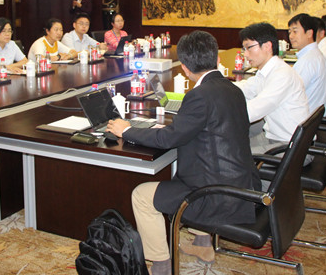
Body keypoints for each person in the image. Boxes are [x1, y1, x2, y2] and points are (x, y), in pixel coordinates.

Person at [106, 31, 260, 275]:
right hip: (241, 184)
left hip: (216, 196)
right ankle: (202, 244)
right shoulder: (233, 89)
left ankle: (161, 264)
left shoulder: (199, 96)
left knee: (141, 196)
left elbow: (168, 139)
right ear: (217, 58)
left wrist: (127, 130)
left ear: (185, 68)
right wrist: (174, 128)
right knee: (180, 173)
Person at [233, 22, 309, 154]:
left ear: (267, 46)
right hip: (274, 137)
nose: (245, 54)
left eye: (249, 48)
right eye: (244, 49)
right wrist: (217, 88)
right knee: (230, 146)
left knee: (231, 154)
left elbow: (252, 111)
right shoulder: (267, 71)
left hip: (290, 147)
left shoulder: (281, 75)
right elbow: (246, 88)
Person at [288, 13, 326, 115]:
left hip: (302, 116)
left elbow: (289, 93)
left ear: (309, 33)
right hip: (312, 115)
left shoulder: (308, 60)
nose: (291, 36)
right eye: (289, 32)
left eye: (295, 31)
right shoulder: (314, 54)